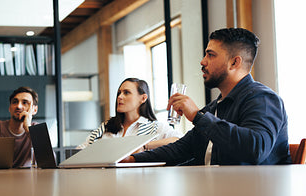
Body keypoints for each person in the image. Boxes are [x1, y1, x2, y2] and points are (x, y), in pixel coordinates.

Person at [122, 27, 290, 165]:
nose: (202, 61)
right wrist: (132, 159)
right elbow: (182, 149)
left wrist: (197, 116)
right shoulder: (215, 106)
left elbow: (255, 150)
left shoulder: (263, 99)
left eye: (211, 55)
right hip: (217, 192)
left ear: (234, 62)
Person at [78, 78, 182, 151]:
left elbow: (179, 140)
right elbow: (79, 151)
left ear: (143, 98)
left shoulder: (155, 128)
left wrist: (145, 145)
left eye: (126, 92)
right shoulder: (105, 127)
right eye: (119, 93)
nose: (120, 97)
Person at [0, 86, 38, 168]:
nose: (18, 106)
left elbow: (50, 160)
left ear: (34, 110)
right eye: (15, 102)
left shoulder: (37, 130)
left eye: (25, 102)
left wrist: (28, 129)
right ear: (10, 108)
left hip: (28, 179)